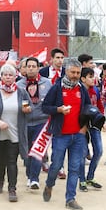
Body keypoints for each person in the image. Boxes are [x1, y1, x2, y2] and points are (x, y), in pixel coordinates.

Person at [42, 59, 91, 210]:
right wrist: (58, 110)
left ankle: (70, 198)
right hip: (61, 135)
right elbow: (45, 107)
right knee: (56, 166)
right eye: (73, 72)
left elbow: (88, 108)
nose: (76, 75)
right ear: (66, 71)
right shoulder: (56, 88)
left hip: (78, 136)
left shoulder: (82, 89)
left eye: (78, 72)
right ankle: (49, 184)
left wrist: (84, 127)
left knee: (75, 168)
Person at [0, 64, 31, 202]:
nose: (8, 77)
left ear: (15, 77)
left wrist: (27, 109)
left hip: (15, 132)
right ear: (1, 76)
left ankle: (12, 189)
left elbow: (28, 106)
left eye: (11, 75)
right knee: (0, 159)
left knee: (12, 160)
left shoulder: (21, 92)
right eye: (5, 75)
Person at [16, 57, 52, 190]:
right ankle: (29, 175)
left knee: (37, 150)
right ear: (24, 68)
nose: (30, 68)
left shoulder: (47, 83)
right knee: (26, 152)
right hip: (24, 122)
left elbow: (51, 101)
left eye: (33, 66)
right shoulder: (19, 84)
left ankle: (34, 178)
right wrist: (22, 107)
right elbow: (15, 101)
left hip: (41, 121)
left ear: (38, 68)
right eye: (28, 66)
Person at [39, 48, 67, 179]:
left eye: (62, 58)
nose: (60, 60)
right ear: (51, 59)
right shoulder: (43, 72)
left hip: (60, 111)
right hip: (45, 109)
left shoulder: (67, 73)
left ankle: (58, 166)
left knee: (58, 140)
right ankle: (43, 160)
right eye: (57, 58)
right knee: (43, 136)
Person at [78, 67, 105, 191]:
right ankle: (82, 180)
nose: (93, 79)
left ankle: (90, 176)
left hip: (94, 124)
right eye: (90, 76)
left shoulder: (95, 90)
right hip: (82, 125)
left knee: (98, 151)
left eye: (93, 76)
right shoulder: (79, 91)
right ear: (83, 78)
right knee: (82, 153)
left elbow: (99, 104)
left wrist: (102, 120)